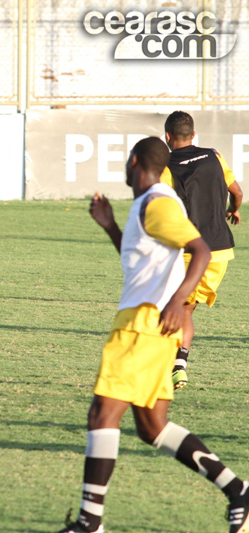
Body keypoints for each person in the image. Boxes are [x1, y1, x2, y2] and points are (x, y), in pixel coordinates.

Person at [56, 137, 249, 533]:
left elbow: (201, 248)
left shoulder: (158, 203)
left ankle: (90, 522)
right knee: (152, 427)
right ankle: (240, 492)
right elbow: (139, 264)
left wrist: (179, 302)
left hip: (143, 324)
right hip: (150, 327)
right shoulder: (146, 206)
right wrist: (109, 225)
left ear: (134, 162)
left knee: (102, 414)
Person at [160, 111, 243, 390]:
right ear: (193, 135)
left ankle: (175, 365)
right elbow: (238, 192)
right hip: (220, 250)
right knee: (185, 310)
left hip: (187, 251)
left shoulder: (165, 166)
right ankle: (177, 362)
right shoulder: (214, 156)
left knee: (178, 309)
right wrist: (234, 209)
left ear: (167, 136)